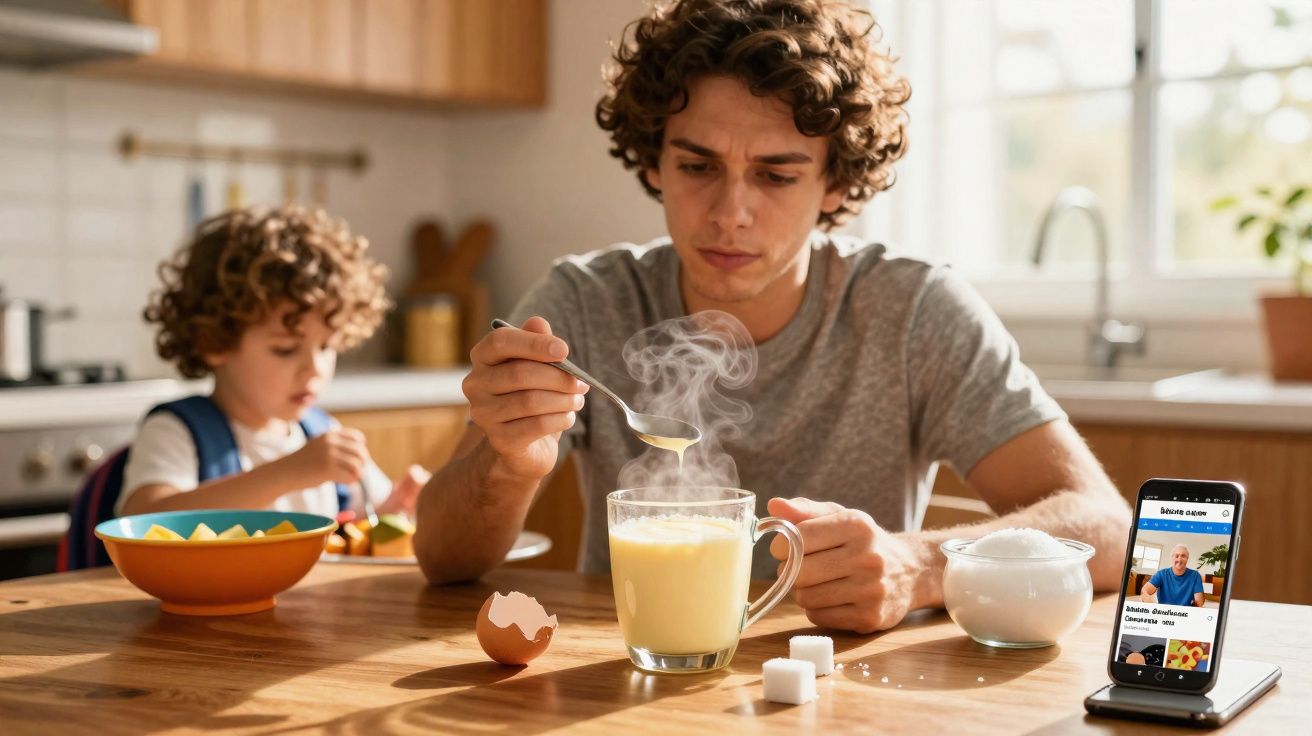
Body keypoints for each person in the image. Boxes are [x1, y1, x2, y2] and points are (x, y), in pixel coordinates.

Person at [414, 0, 1131, 634]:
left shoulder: (912, 311)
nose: (730, 213)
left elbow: (1106, 526)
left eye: (777, 176)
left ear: (836, 183)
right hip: (628, 680)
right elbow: (443, 559)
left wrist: (923, 563)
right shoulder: (583, 302)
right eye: (697, 167)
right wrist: (509, 462)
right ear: (655, 162)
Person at [118, 206, 428, 519]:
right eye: (285, 349)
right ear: (215, 341)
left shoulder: (321, 433)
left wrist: (400, 505)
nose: (315, 369)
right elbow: (146, 520)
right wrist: (290, 472)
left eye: (326, 346)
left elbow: (372, 519)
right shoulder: (177, 432)